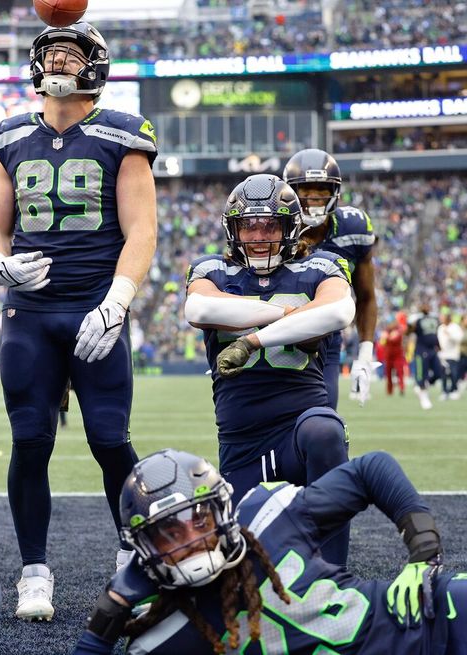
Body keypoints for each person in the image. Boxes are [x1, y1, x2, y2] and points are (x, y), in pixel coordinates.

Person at [73, 448, 467, 655]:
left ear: (222, 509)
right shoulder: (164, 637)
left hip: (441, 616)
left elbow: (373, 468)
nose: (191, 539)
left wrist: (422, 549)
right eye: (169, 534)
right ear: (145, 550)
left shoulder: (269, 512)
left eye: (197, 520)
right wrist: (107, 615)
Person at [0, 21, 157, 621]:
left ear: (94, 67)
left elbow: (142, 230)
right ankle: (34, 572)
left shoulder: (122, 133)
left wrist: (117, 301)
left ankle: (137, 553)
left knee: (111, 442)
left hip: (94, 308)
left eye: (68, 53)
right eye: (49, 52)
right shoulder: (8, 136)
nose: (56, 62)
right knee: (30, 442)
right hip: (29, 313)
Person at [183, 174, 353, 565]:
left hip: (300, 432)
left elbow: (339, 310)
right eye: (249, 225)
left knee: (327, 429)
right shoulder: (212, 271)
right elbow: (200, 309)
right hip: (242, 445)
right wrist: (288, 315)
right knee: (249, 569)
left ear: (290, 227)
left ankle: (333, 576)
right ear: (234, 230)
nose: (259, 235)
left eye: (270, 224)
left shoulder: (321, 266)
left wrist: (252, 338)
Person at [283, 149, 378, 408]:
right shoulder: (276, 227)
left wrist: (365, 355)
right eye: (305, 190)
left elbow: (367, 296)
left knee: (323, 423)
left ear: (334, 192)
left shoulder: (353, 227)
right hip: (278, 337)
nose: (313, 198)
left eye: (321, 190)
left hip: (326, 340)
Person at [406, 304, 442, 410]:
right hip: (422, 350)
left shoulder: (434, 318)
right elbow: (408, 332)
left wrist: (439, 346)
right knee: (422, 374)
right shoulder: (417, 319)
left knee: (438, 372)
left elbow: (435, 334)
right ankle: (424, 396)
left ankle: (423, 386)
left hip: (432, 349)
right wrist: (411, 325)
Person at [436, 312, 463, 400]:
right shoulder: (440, 328)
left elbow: (459, 338)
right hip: (443, 355)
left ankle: (453, 390)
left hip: (453, 354)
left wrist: (450, 335)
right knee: (443, 373)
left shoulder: (454, 327)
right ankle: (444, 391)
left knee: (454, 373)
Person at [379, 319, 406, 396]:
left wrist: (387, 337)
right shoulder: (387, 331)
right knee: (388, 374)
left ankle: (401, 388)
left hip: (398, 355)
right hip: (388, 355)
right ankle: (389, 390)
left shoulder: (398, 331)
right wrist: (386, 337)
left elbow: (394, 338)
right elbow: (382, 343)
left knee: (400, 372)